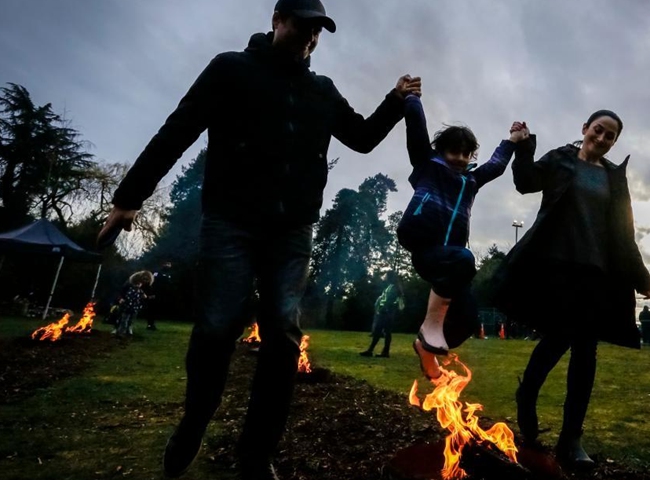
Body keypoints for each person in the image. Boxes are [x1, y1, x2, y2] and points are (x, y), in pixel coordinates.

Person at [97, 0, 421, 477]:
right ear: (277, 21)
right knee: (215, 328)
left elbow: (363, 138)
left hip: (292, 230)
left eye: (318, 32)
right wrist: (129, 197)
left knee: (283, 337)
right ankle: (194, 421)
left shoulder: (322, 90)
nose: (311, 39)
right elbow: (177, 130)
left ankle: (256, 454)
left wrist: (395, 100)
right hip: (231, 222)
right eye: (303, 26)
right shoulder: (231, 70)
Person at [492, 110, 650, 468]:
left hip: (597, 274)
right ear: (585, 129)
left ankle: (570, 440)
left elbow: (624, 231)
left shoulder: (614, 177)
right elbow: (526, 182)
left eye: (610, 136)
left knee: (585, 353)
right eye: (598, 130)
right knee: (558, 338)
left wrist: (641, 277)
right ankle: (528, 393)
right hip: (556, 268)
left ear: (614, 142)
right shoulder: (561, 159)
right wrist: (523, 146)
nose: (602, 138)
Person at [395, 93, 528, 380]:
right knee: (465, 258)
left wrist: (513, 140)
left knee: (467, 322)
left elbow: (495, 164)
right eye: (454, 152)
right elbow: (416, 133)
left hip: (452, 261)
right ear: (441, 151)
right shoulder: (428, 166)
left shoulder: (471, 181)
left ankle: (425, 346)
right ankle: (430, 326)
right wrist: (413, 99)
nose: (460, 159)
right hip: (426, 247)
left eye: (466, 154)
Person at [360, 272, 405, 358]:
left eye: (386, 275)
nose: (385, 277)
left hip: (386, 313)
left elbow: (388, 301)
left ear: (390, 277)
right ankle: (384, 352)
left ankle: (371, 351)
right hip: (389, 313)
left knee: (378, 331)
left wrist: (382, 309)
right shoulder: (393, 287)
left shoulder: (392, 288)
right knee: (387, 332)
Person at [113, 271, 154, 336]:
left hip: (136, 304)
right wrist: (120, 298)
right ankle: (117, 328)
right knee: (122, 316)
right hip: (126, 302)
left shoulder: (147, 285)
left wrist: (147, 297)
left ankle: (129, 328)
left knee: (132, 317)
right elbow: (122, 290)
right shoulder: (130, 282)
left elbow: (147, 294)